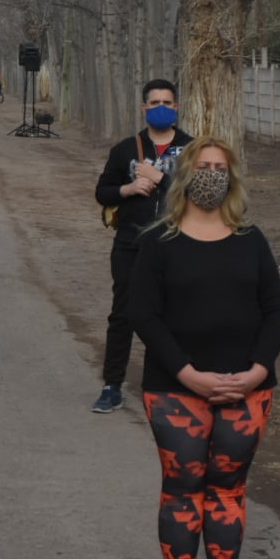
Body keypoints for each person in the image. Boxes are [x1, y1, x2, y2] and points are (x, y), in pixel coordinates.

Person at [127, 138, 280, 559]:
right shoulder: (157, 242)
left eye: (221, 167)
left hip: (248, 388)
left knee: (229, 491)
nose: (212, 174)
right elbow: (145, 316)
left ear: (232, 176)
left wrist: (257, 371)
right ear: (185, 175)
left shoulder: (251, 238)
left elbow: (276, 311)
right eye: (203, 166)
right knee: (183, 489)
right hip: (177, 389)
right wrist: (189, 373)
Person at [92, 80, 194, 414]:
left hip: (176, 245)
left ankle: (161, 382)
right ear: (144, 108)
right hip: (131, 244)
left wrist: (162, 179)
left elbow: (199, 196)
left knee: (170, 316)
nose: (161, 107)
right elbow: (102, 192)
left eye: (167, 101)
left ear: (177, 107)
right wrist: (129, 188)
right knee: (124, 314)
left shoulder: (193, 150)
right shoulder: (125, 149)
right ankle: (111, 385)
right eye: (154, 102)